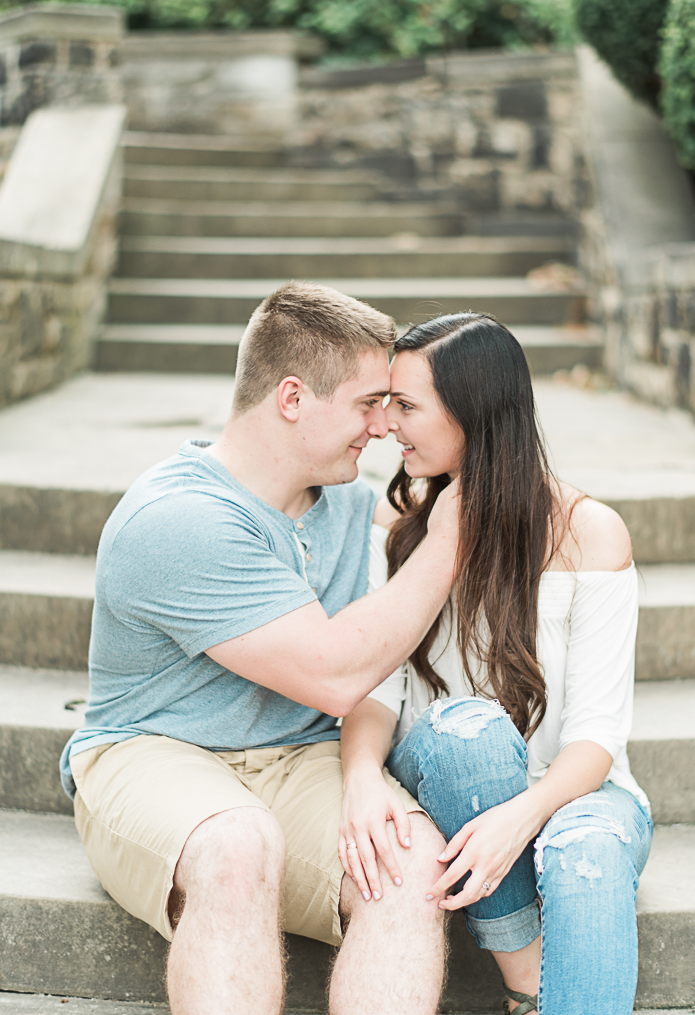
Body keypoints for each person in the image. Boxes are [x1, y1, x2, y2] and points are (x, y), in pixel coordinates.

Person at [59, 283, 459, 1015]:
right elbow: (336, 672)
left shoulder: (346, 501)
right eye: (369, 403)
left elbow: (516, 493)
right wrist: (449, 542)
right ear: (293, 398)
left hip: (300, 760)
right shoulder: (177, 519)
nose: (381, 427)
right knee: (238, 845)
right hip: (154, 752)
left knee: (411, 863)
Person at [339, 312, 652, 1015]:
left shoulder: (589, 533)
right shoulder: (399, 528)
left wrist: (524, 815)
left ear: (472, 412)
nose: (388, 424)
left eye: (407, 404)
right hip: (453, 771)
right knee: (465, 731)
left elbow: (596, 739)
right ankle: (526, 977)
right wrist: (360, 777)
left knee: (590, 848)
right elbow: (376, 686)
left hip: (577, 791)